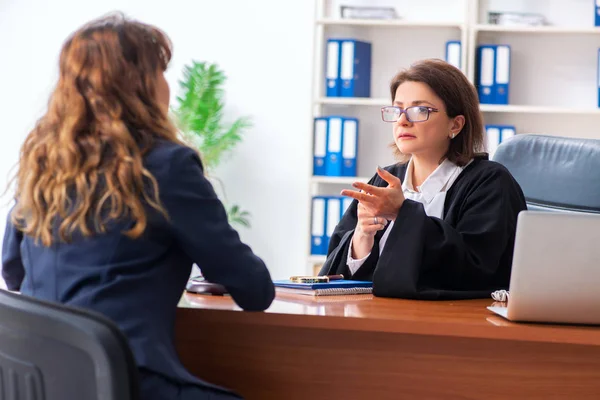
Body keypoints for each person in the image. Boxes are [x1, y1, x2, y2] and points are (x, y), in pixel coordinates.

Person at [1, 13, 274, 400]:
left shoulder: (43, 166)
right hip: (128, 379)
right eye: (161, 72)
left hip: (40, 383)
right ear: (141, 86)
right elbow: (254, 290)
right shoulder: (166, 165)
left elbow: (12, 271)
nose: (167, 85)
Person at [319, 59, 527, 300]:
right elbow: (337, 274)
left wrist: (403, 212)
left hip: (455, 323)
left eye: (420, 110)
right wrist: (362, 238)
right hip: (379, 315)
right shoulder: (384, 180)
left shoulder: (490, 182)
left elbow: (475, 270)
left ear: (456, 124)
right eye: (397, 110)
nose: (402, 121)